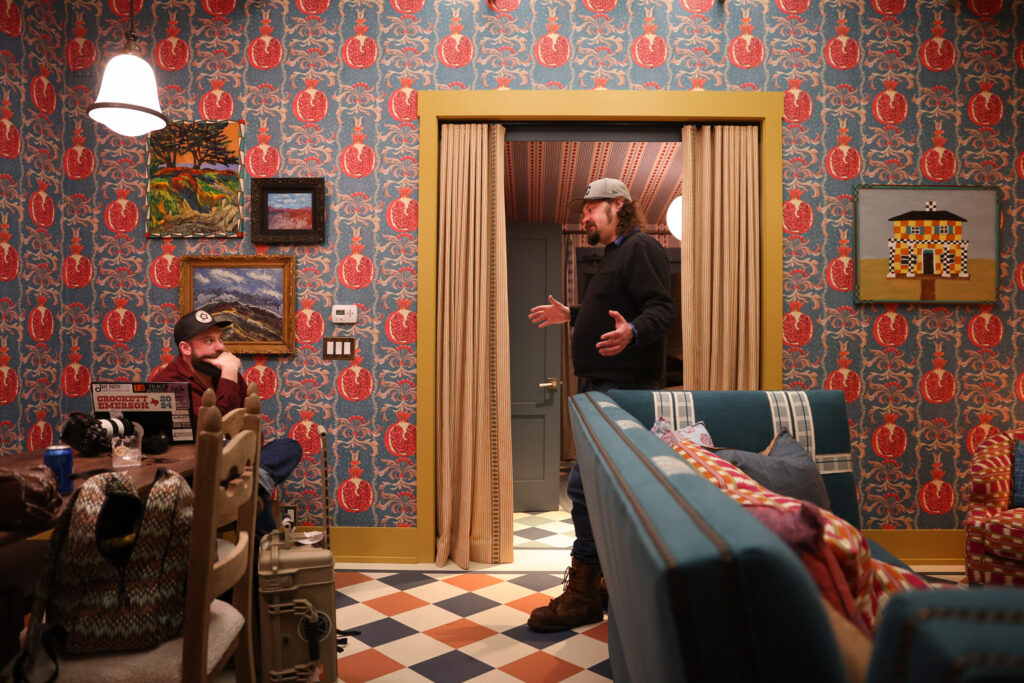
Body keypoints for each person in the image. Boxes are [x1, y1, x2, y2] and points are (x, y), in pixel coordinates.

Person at [526, 178, 675, 632]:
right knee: (596, 490)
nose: (584, 217)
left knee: (583, 489)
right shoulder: (613, 256)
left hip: (622, 388)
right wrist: (573, 314)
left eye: (591, 209)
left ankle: (587, 590)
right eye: (584, 211)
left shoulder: (641, 248)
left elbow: (662, 309)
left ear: (617, 206)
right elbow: (615, 305)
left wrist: (632, 331)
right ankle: (605, 580)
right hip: (602, 387)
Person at [153, 307, 302, 536]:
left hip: (236, 463)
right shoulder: (169, 381)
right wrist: (230, 375)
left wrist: (245, 457)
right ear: (185, 348)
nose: (221, 347)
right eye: (209, 341)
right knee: (253, 493)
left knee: (290, 447)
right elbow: (213, 427)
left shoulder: (221, 372)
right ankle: (253, 488)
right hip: (199, 470)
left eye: (220, 340)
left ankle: (251, 481)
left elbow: (250, 425)